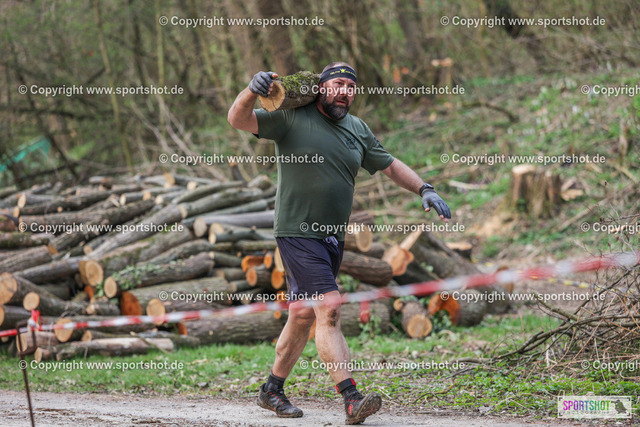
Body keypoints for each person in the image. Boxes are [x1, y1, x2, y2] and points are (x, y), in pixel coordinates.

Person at [227, 62, 451, 425]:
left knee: (303, 314)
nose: (345, 91)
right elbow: (238, 119)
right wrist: (251, 90)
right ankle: (351, 399)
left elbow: (390, 165)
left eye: (351, 86)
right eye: (338, 84)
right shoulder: (292, 117)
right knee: (329, 308)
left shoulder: (357, 129)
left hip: (333, 237)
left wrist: (424, 188)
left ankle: (272, 389)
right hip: (297, 231)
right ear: (321, 86)